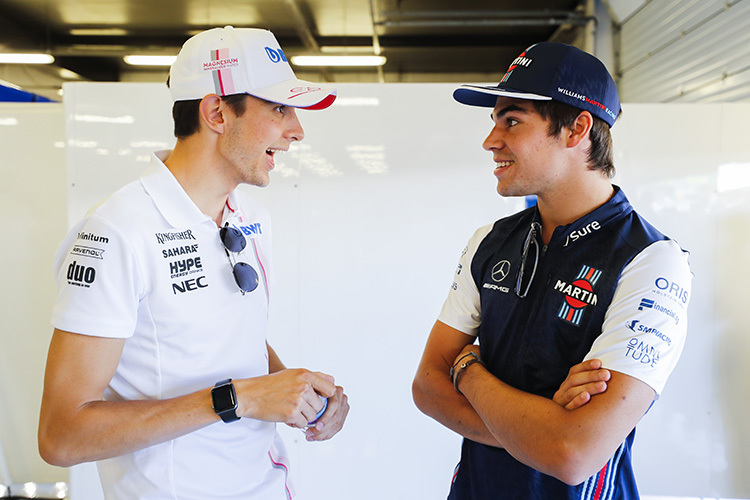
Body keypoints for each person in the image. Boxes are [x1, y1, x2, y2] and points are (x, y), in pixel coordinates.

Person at [38, 26, 349, 500]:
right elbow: (62, 435)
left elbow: (227, 336)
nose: (296, 131)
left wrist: (298, 394)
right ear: (217, 112)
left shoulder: (251, 217)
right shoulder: (116, 232)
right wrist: (238, 398)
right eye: (279, 109)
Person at [412, 42, 692, 499]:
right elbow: (426, 386)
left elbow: (572, 453)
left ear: (577, 128)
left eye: (513, 120)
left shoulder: (653, 261)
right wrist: (540, 425)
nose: (491, 140)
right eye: (495, 121)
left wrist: (468, 369)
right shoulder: (490, 240)